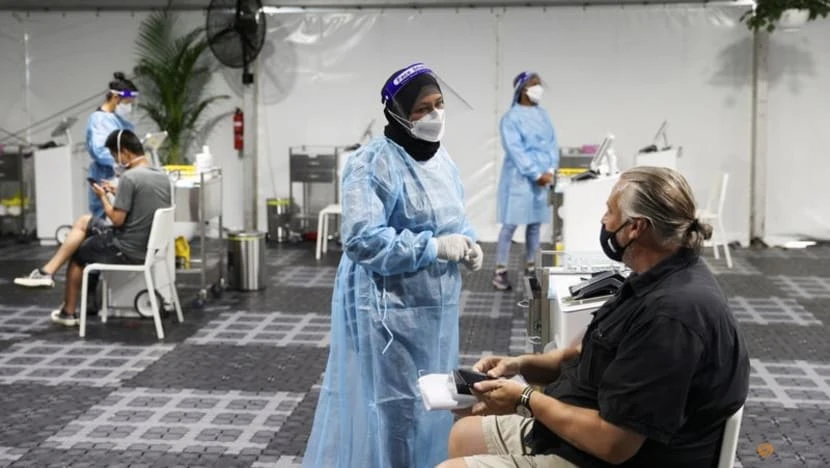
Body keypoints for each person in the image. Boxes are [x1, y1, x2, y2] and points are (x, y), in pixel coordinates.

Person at [440, 167, 750, 468]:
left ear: (636, 227)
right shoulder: (652, 278)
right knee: (464, 433)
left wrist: (525, 398)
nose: (603, 220)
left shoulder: (670, 317)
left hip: (617, 454)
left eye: (610, 211)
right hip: (584, 431)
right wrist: (520, 365)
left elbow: (614, 444)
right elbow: (581, 354)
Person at [301, 63, 482, 468]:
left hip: (435, 307)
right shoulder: (371, 163)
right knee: (395, 407)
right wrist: (433, 247)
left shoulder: (441, 159)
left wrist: (468, 241)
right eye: (423, 108)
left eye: (439, 104)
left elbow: (451, 215)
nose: (435, 115)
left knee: (435, 398)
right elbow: (362, 239)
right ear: (399, 114)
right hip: (388, 309)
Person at [14, 130, 171, 327]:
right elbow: (142, 201)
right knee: (84, 221)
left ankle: (68, 312)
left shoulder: (130, 178)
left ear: (124, 152)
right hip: (149, 246)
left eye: (115, 155)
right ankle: (46, 272)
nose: (116, 161)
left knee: (78, 254)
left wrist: (103, 197)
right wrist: (117, 191)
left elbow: (117, 220)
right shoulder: (161, 176)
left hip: (127, 248)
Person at [493, 72, 558, 291]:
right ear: (522, 90)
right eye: (534, 84)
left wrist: (550, 170)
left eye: (540, 84)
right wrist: (535, 174)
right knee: (510, 224)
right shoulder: (511, 118)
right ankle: (500, 270)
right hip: (519, 178)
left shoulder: (543, 115)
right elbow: (515, 150)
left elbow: (552, 144)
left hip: (543, 177)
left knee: (534, 224)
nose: (539, 88)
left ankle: (531, 265)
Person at [86, 71, 138, 219]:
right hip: (106, 177)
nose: (129, 107)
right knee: (106, 221)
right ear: (115, 98)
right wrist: (125, 161)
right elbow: (100, 151)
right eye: (127, 102)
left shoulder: (116, 119)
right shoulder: (99, 120)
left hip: (119, 177)